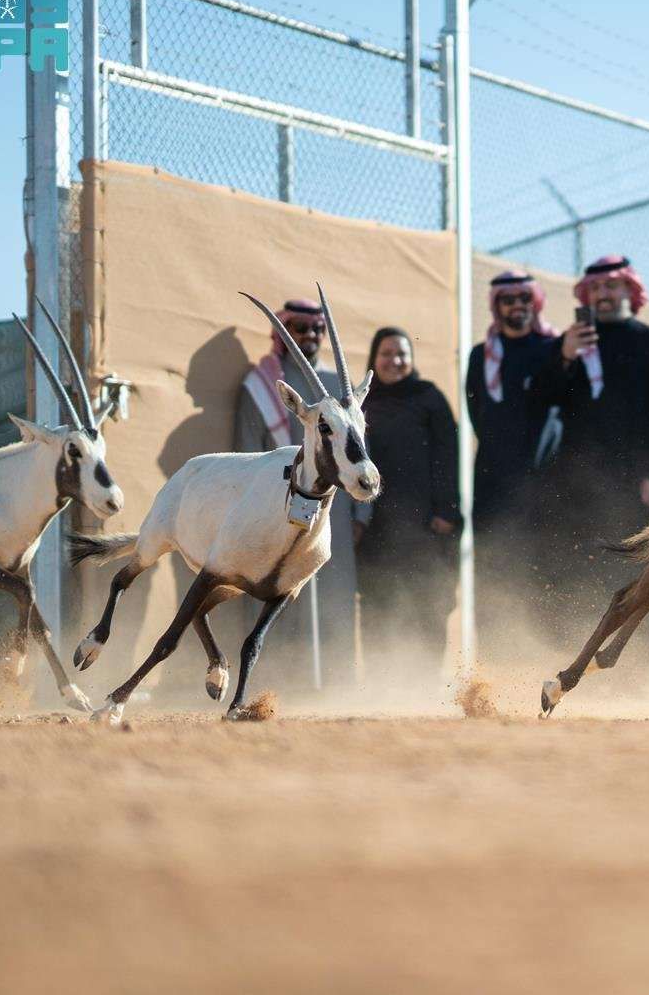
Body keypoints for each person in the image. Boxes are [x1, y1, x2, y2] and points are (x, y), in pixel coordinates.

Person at [531, 255, 649, 649]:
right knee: (574, 570)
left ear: (629, 291)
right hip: (576, 485)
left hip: (635, 487)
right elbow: (540, 399)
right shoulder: (573, 343)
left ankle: (633, 663)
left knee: (635, 574)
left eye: (611, 286)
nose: (602, 294)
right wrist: (564, 356)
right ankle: (568, 655)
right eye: (595, 288)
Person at [234, 296, 358, 692]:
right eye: (301, 329)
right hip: (277, 510)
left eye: (317, 329)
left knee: (333, 599)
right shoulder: (261, 387)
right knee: (279, 598)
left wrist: (362, 515)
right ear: (284, 333)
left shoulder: (341, 387)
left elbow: (358, 452)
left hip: (334, 514)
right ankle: (277, 688)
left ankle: (335, 690)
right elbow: (249, 456)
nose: (311, 336)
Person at [353, 327, 461, 694]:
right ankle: (380, 685)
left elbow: (449, 455)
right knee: (377, 603)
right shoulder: (359, 404)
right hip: (377, 527)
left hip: (427, 526)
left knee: (429, 600)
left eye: (401, 354)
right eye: (386, 354)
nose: (394, 361)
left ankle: (426, 683)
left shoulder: (429, 398)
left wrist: (447, 510)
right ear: (373, 359)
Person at [465, 271, 561, 660]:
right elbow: (478, 417)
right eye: (509, 300)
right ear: (497, 305)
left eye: (524, 298)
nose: (517, 306)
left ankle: (545, 667)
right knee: (492, 573)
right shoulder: (481, 356)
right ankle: (494, 671)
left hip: (546, 489)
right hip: (494, 485)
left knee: (544, 577)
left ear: (534, 303)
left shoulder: (555, 350)